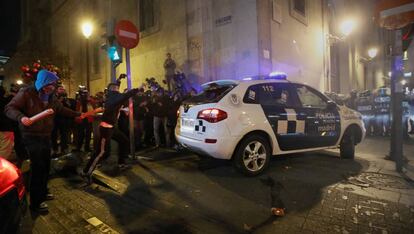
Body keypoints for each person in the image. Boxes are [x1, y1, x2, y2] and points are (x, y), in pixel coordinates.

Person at [5, 69, 84, 213]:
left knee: (46, 166)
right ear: (41, 83)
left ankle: (42, 191)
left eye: (53, 85)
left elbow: (61, 109)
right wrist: (21, 118)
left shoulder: (51, 97)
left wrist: (79, 114)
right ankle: (35, 202)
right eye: (49, 85)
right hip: (31, 136)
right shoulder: (26, 93)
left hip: (45, 136)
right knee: (38, 167)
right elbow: (10, 108)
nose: (51, 88)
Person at [82, 83, 139, 182]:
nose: (118, 89)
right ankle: (86, 171)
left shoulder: (112, 96)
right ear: (113, 89)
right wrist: (137, 89)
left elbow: (118, 99)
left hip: (112, 128)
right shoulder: (113, 97)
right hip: (106, 129)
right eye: (117, 88)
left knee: (124, 141)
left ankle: (121, 163)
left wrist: (119, 80)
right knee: (101, 152)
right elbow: (124, 96)